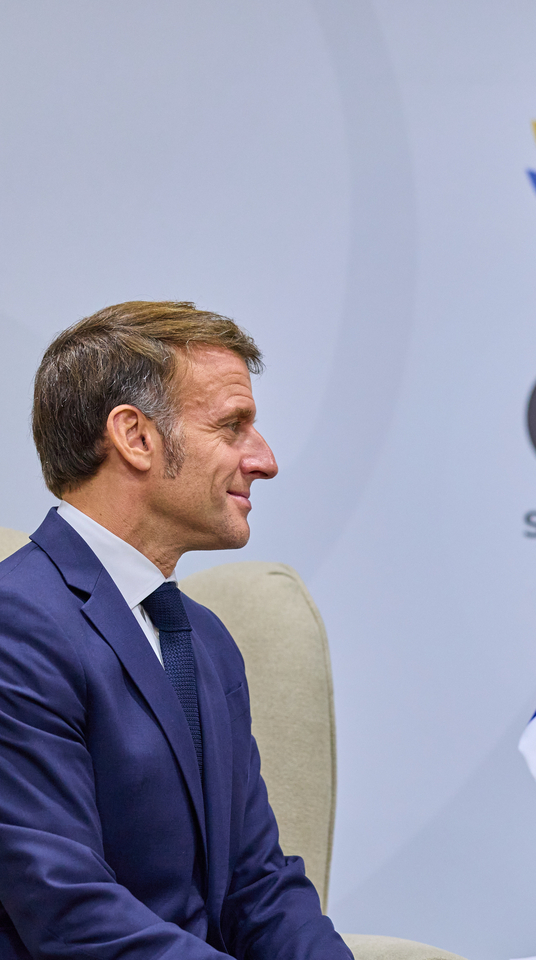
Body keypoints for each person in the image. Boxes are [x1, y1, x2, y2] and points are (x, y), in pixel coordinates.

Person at [0, 302, 351, 960]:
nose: (265, 460)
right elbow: (67, 910)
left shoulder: (207, 640)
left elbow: (259, 886)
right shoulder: (14, 625)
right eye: (233, 426)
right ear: (135, 437)